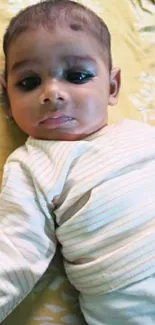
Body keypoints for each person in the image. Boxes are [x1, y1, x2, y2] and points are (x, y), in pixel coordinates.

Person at [0, 0, 155, 324]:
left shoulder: (142, 134)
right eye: (29, 82)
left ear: (112, 87)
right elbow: (15, 251)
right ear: (6, 95)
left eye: (77, 75)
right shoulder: (32, 164)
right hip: (132, 301)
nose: (52, 93)